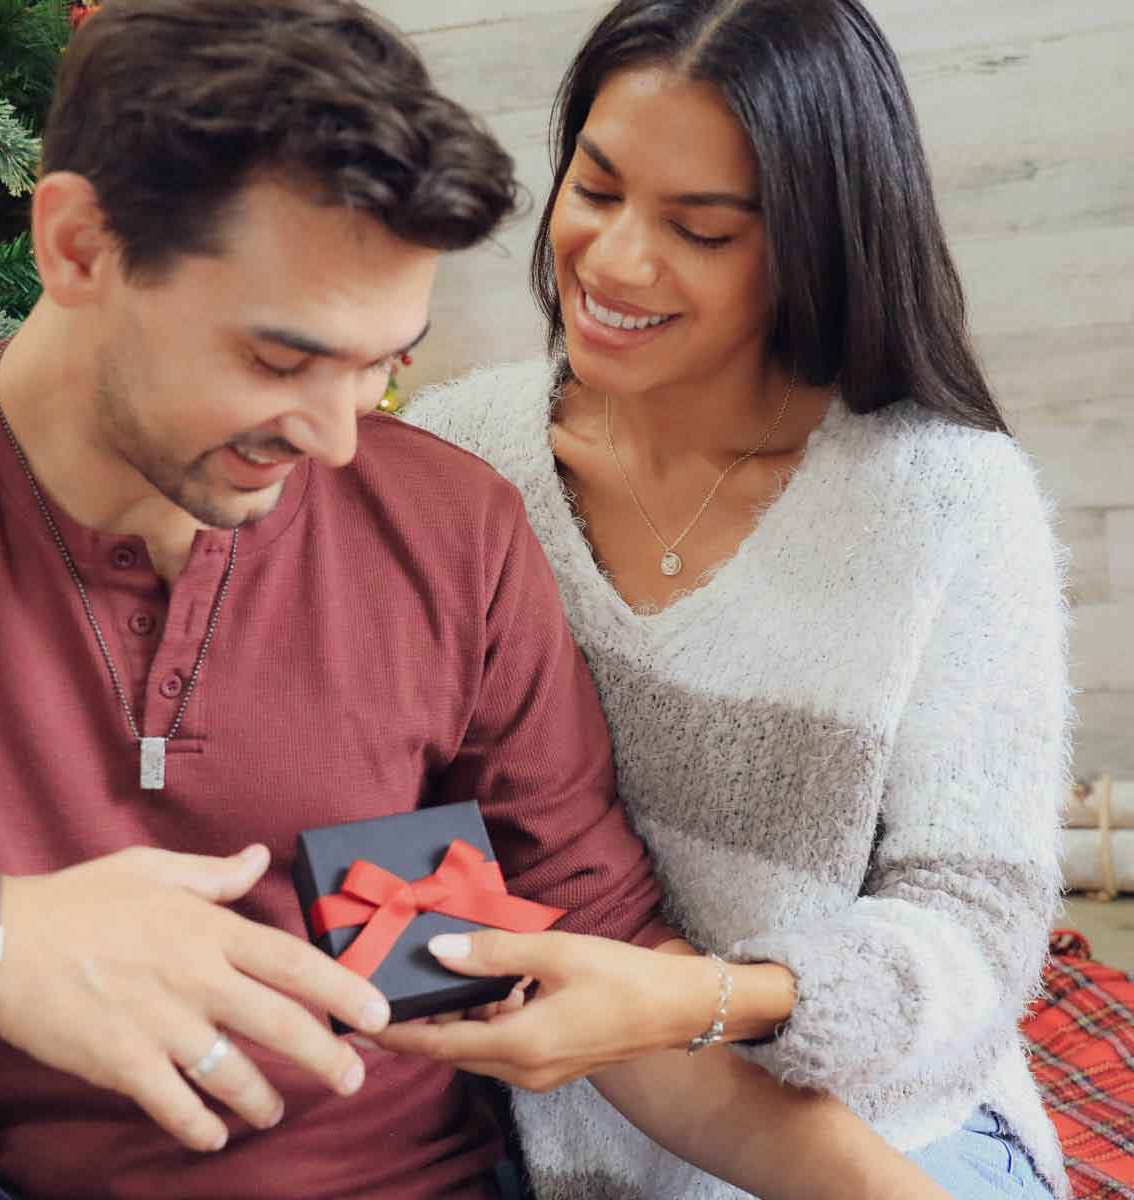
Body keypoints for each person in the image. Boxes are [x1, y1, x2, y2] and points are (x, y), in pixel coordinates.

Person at [0, 2, 960, 1199]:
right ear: (76, 245)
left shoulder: (447, 526)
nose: (335, 438)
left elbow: (603, 955)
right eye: (279, 359)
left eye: (378, 364)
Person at [397, 0, 1070, 1197]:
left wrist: (711, 999)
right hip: (554, 1132)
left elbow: (978, 918)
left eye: (700, 230)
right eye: (595, 191)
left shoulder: (945, 502)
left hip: (871, 1125)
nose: (613, 263)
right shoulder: (461, 460)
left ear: (820, 244)